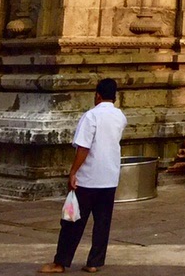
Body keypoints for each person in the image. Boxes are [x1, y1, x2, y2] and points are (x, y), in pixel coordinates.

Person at [38, 78, 127, 274]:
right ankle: (95, 261)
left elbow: (84, 147)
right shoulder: (120, 116)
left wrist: (73, 171)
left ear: (97, 95)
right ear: (115, 96)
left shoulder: (91, 116)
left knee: (72, 220)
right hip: (110, 177)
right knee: (102, 223)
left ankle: (61, 261)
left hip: (88, 178)